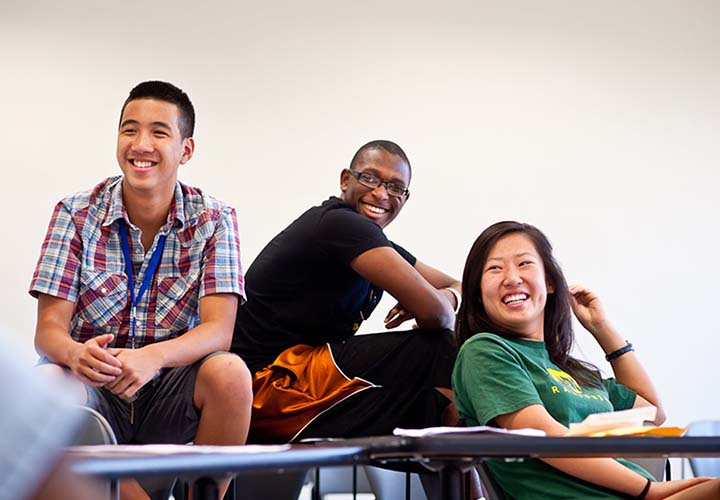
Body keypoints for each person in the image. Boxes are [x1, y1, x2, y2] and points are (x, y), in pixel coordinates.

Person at [29, 81, 252, 499]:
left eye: (159, 132)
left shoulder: (216, 218)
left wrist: (153, 358)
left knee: (231, 374)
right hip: (95, 380)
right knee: (46, 387)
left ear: (185, 150)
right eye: (129, 130)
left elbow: (218, 331)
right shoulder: (75, 213)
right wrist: (77, 353)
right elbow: (49, 332)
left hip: (168, 380)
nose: (141, 144)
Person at [452, 221, 720, 500]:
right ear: (478, 292)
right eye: (495, 268)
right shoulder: (485, 351)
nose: (512, 278)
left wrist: (601, 327)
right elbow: (541, 436)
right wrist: (649, 490)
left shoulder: (573, 370)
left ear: (551, 283)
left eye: (524, 264)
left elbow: (651, 414)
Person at [232, 139, 460, 443]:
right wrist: (430, 302)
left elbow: (460, 288)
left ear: (405, 198)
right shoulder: (339, 224)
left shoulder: (373, 242)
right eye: (369, 178)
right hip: (264, 384)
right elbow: (439, 315)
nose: (381, 194)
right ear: (345, 180)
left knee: (427, 410)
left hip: (304, 377)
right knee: (436, 347)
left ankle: (475, 487)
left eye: (395, 187)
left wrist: (439, 297)